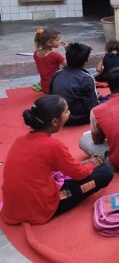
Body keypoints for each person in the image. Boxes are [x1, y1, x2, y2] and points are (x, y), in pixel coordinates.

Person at [1, 95, 113, 225]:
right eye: (66, 111)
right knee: (106, 172)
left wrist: (86, 164)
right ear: (55, 121)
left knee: (83, 167)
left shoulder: (19, 140)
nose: (69, 113)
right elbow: (80, 174)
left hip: (13, 207)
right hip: (40, 207)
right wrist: (93, 163)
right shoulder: (53, 146)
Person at [50, 43, 99, 126]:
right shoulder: (87, 78)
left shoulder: (56, 74)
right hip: (80, 118)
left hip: (59, 118)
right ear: (86, 62)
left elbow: (51, 96)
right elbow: (94, 106)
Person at [33, 28, 67, 94]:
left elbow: (39, 70)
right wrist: (68, 51)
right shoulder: (55, 55)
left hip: (44, 86)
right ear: (49, 43)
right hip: (54, 87)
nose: (60, 41)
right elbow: (70, 64)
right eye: (57, 40)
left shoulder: (36, 53)